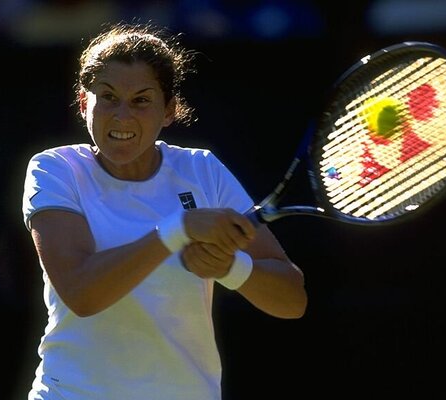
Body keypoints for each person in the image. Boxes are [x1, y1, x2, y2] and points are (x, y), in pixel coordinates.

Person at [21, 22, 307, 400]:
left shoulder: (202, 170)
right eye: (107, 97)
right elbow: (81, 292)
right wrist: (178, 229)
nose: (122, 116)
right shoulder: (55, 169)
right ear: (83, 102)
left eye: (141, 100)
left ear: (169, 110)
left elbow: (292, 300)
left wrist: (230, 269)